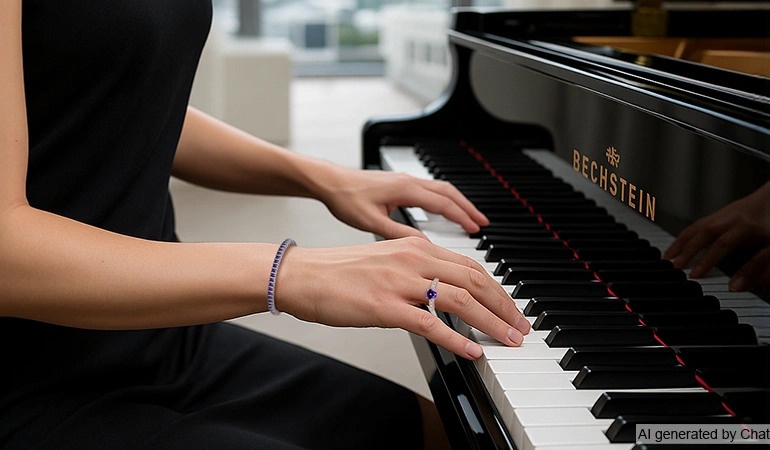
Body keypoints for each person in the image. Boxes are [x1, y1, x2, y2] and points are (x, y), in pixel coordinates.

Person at [0, 2, 530, 449]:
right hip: (30, 375)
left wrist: (324, 178)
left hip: (162, 337)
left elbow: (114, 96)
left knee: (445, 434)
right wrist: (291, 272)